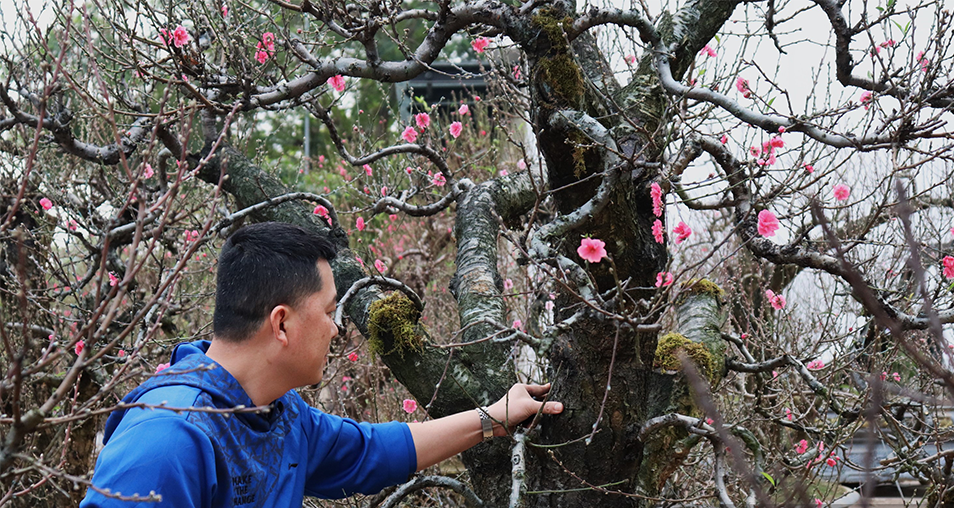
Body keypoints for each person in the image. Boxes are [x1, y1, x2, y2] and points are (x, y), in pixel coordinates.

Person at [80, 222, 562, 507]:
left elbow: (373, 451)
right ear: (282, 324)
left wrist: (493, 418)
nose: (337, 329)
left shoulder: (277, 416)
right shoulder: (168, 438)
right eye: (330, 312)